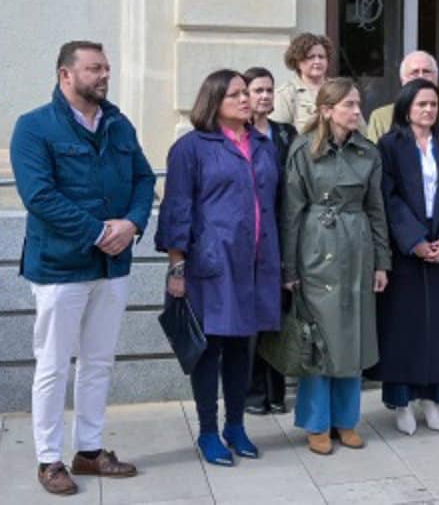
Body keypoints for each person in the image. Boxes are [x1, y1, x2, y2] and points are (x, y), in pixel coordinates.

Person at [11, 40, 152, 494]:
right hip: (60, 266)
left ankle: (89, 451)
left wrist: (131, 223)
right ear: (65, 74)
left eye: (107, 67)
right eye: (94, 68)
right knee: (53, 365)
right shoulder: (34, 127)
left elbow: (145, 178)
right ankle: (49, 460)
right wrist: (98, 232)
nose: (104, 75)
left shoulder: (118, 123)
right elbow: (39, 196)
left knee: (99, 362)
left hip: (113, 268)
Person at [158, 69, 282, 465]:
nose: (247, 100)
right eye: (236, 94)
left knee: (243, 349)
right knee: (210, 349)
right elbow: (177, 208)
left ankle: (236, 426)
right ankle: (209, 431)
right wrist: (177, 267)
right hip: (211, 262)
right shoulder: (191, 148)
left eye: (248, 93)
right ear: (214, 101)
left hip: (255, 262)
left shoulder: (264, 145)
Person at [280, 77, 391, 454]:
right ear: (327, 110)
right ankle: (316, 422)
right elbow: (291, 213)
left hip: (357, 246)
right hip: (317, 245)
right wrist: (290, 269)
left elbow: (377, 211)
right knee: (320, 338)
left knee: (353, 334)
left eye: (358, 104)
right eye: (349, 105)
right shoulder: (302, 151)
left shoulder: (368, 152)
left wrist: (382, 262)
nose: (357, 111)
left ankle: (346, 420)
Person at [362, 51, 439, 403]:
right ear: (407, 107)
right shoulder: (389, 146)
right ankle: (400, 400)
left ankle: (437, 398)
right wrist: (415, 240)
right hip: (406, 252)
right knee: (403, 329)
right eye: (421, 104)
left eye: (434, 104)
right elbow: (386, 197)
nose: (428, 110)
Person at [243, 66, 298, 416]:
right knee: (251, 321)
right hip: (250, 238)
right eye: (257, 90)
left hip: (281, 232)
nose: (264, 96)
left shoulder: (285, 133)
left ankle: (276, 392)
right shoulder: (239, 135)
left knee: (277, 316)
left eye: (268, 90)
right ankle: (252, 393)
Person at [364, 51, 439, 142]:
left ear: (436, 77)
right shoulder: (381, 118)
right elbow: (375, 160)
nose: (421, 77)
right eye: (414, 72)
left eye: (426, 72)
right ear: (402, 80)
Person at [272, 33, 333, 130]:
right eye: (311, 57)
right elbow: (279, 135)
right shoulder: (286, 93)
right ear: (297, 61)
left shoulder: (340, 89)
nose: (317, 61)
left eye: (321, 57)